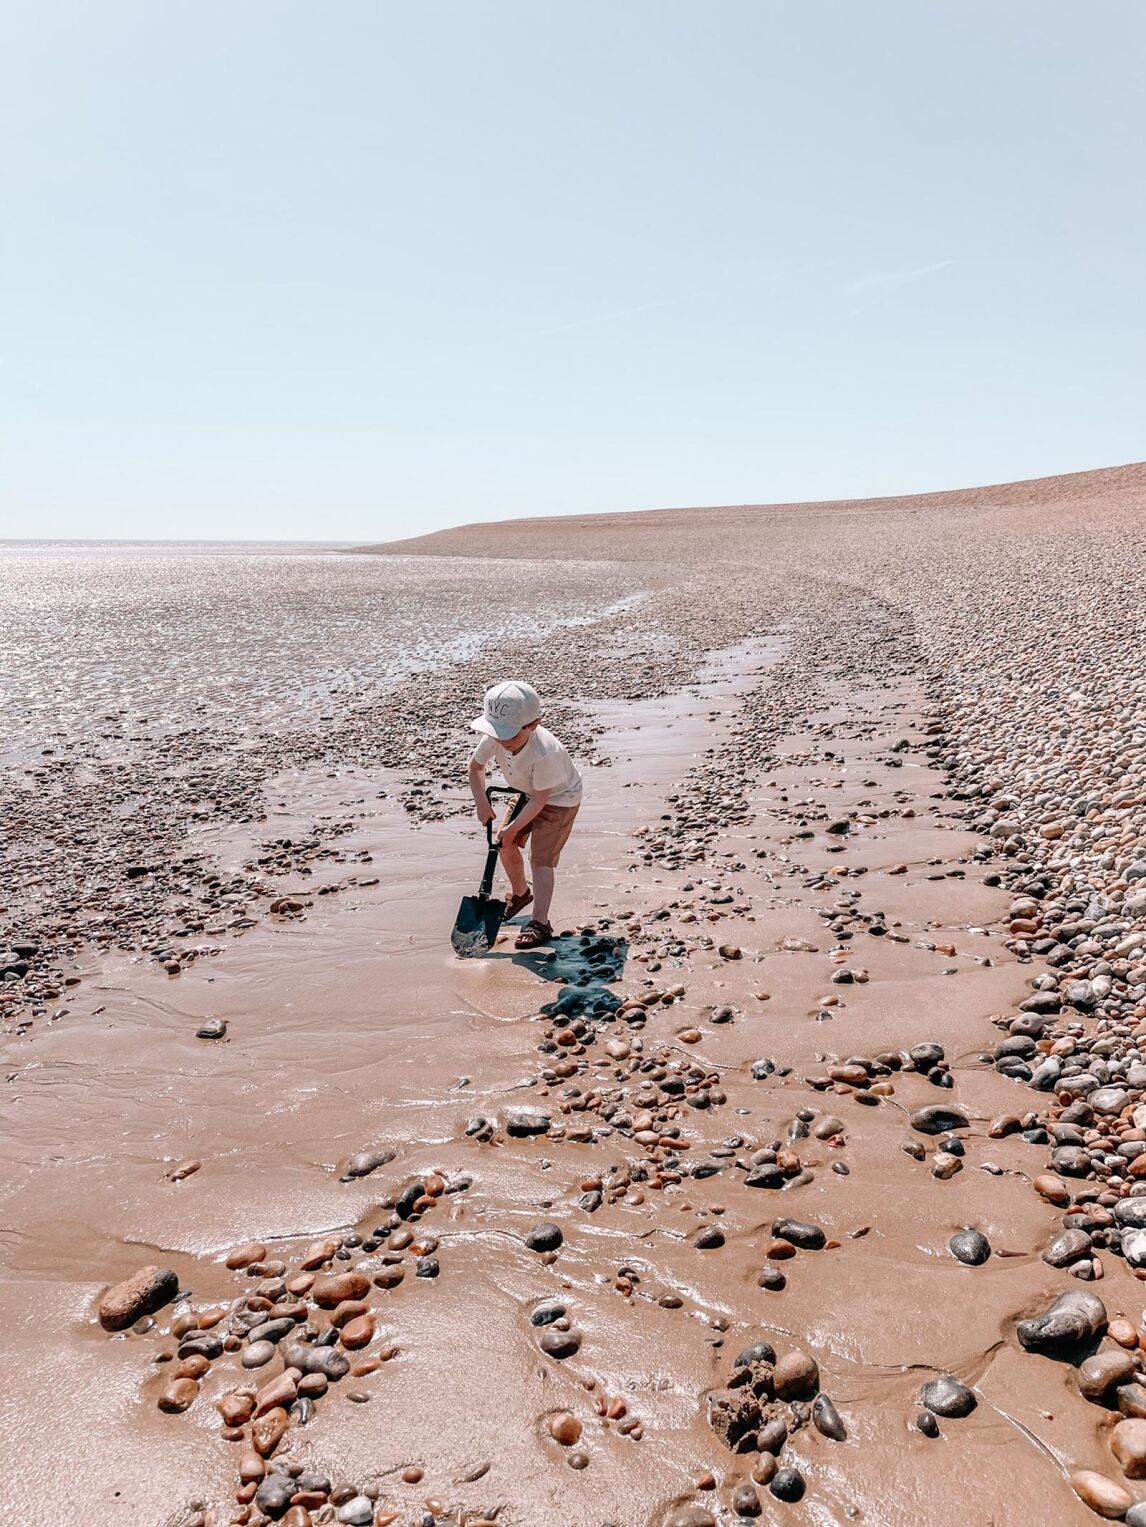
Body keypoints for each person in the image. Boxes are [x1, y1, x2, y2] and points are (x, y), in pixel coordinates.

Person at [467, 679, 582, 948]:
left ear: (533, 725)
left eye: (510, 735)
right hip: (527, 792)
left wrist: (515, 826)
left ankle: (540, 922)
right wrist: (481, 803)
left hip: (559, 798)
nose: (502, 741)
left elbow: (542, 800)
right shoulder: (496, 737)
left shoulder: (544, 753)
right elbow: (475, 768)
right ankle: (520, 894)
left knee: (540, 859)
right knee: (503, 843)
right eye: (497, 734)